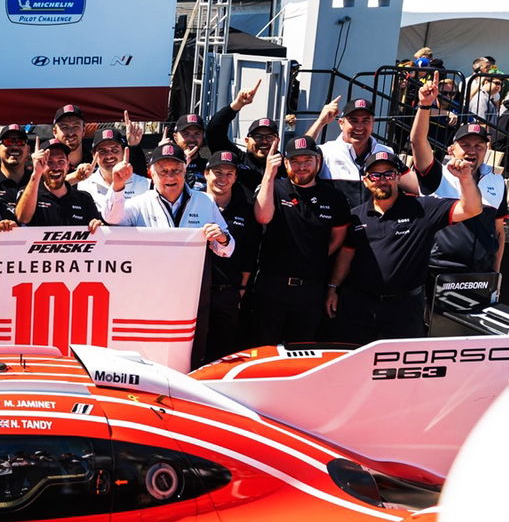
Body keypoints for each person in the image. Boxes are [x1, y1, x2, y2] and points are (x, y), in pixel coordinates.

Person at [328, 152, 484, 343]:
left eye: (389, 174)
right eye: (375, 175)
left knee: (403, 370)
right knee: (354, 364)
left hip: (404, 308)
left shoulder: (423, 209)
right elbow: (346, 255)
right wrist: (332, 288)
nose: (382, 180)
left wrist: (465, 178)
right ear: (366, 180)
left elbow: (472, 209)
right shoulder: (355, 216)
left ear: (398, 177)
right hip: (359, 306)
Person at [253, 137, 352, 345]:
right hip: (272, 285)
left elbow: (339, 235)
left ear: (318, 161)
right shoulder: (275, 188)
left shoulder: (334, 197)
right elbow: (263, 217)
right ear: (286, 163)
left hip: (311, 288)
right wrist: (269, 174)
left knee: (302, 346)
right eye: (295, 161)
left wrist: (313, 255)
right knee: (265, 345)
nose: (302, 167)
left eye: (307, 160)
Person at [412, 77, 509, 277]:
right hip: (437, 271)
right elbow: (417, 141)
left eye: (479, 146)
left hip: (481, 275)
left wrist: (496, 274)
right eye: (465, 145)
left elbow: (499, 232)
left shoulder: (497, 180)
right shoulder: (437, 174)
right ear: (451, 149)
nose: (472, 150)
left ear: (486, 150)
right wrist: (425, 106)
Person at [104, 143, 234, 259]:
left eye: (176, 170)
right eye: (163, 171)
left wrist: (223, 238)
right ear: (152, 173)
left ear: (184, 170)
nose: (170, 178)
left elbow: (227, 250)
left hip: (190, 280)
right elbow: (112, 218)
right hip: (149, 280)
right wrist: (118, 185)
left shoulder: (205, 200)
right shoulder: (140, 203)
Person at [203, 150, 260, 359]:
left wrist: (241, 289)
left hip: (227, 291)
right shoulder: (194, 204)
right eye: (218, 172)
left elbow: (249, 252)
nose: (223, 179)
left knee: (224, 351)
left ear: (236, 177)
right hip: (195, 291)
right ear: (206, 173)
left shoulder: (245, 209)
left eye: (229, 173)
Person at [309, 96, 415, 207]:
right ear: (341, 123)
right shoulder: (326, 152)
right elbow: (299, 152)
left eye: (365, 120)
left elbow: (418, 187)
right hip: (336, 223)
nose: (359, 127)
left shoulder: (386, 152)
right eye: (353, 121)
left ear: (373, 123)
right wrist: (320, 122)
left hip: (376, 223)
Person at [205, 80, 286, 195]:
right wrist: (237, 104)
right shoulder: (237, 159)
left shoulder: (287, 165)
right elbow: (214, 132)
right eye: (258, 137)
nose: (264, 141)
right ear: (247, 140)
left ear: (277, 140)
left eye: (269, 137)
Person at [15, 139, 101, 227]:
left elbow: (97, 233)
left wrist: (96, 226)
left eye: (61, 161)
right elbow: (22, 218)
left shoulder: (84, 199)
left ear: (68, 165)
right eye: (49, 162)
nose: (56, 167)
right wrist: (37, 173)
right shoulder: (28, 193)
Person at [78, 128, 149, 220]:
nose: (109, 156)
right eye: (102, 151)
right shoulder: (83, 185)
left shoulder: (145, 184)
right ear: (93, 155)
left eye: (115, 150)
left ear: (123, 153)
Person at [0, 124, 32, 210]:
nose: (14, 147)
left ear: (28, 150)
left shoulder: (37, 181)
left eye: (20, 142)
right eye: (8, 142)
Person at [170, 113, 209, 191]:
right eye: (186, 134)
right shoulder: (164, 166)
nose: (191, 139)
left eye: (197, 134)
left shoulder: (210, 166)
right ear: (175, 137)